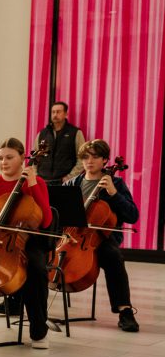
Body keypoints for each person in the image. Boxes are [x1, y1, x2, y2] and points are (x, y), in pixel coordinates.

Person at [0, 138, 51, 348]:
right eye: (0, 158)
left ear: (22, 158)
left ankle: (39, 332)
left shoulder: (37, 182)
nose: (4, 162)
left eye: (9, 157)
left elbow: (46, 220)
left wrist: (32, 183)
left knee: (36, 269)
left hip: (29, 240)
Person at [63, 139, 139, 332]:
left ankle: (125, 311)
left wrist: (113, 193)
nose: (90, 161)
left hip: (103, 237)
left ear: (105, 160)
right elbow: (60, 214)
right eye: (86, 157)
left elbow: (132, 215)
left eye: (95, 157)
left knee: (113, 256)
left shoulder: (116, 183)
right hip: (73, 236)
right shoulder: (73, 183)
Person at [35, 101, 85, 185]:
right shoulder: (42, 133)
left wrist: (70, 177)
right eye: (53, 112)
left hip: (64, 182)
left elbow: (82, 158)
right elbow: (35, 157)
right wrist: (36, 176)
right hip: (42, 181)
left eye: (58, 112)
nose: (55, 115)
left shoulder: (75, 132)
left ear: (65, 114)